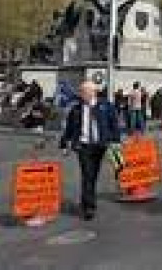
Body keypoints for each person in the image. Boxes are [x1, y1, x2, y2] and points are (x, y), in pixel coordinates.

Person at [59, 80, 120, 220]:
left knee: (93, 174)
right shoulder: (76, 109)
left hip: (100, 145)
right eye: (81, 92)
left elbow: (114, 124)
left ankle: (87, 198)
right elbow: (69, 128)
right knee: (87, 174)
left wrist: (116, 141)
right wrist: (64, 144)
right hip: (83, 145)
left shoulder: (106, 106)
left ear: (93, 92)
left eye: (84, 92)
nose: (82, 94)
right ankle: (89, 207)